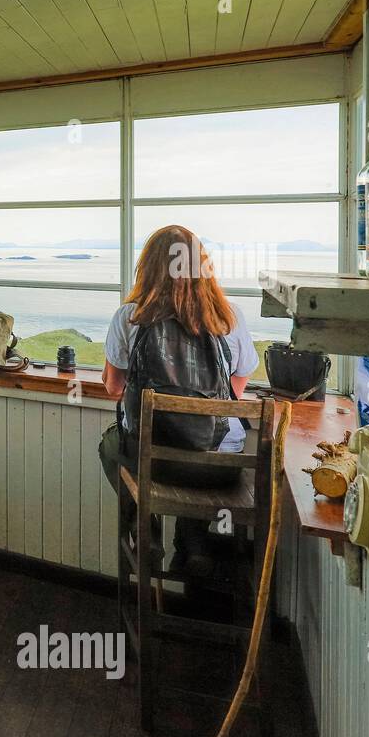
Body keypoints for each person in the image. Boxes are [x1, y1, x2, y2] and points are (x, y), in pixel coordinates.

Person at [97, 224, 258, 577]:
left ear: (148, 266)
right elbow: (237, 389)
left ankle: (146, 531)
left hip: (154, 462)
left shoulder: (131, 316)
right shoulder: (229, 317)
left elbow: (113, 387)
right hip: (220, 469)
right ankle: (194, 542)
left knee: (111, 445)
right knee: (196, 446)